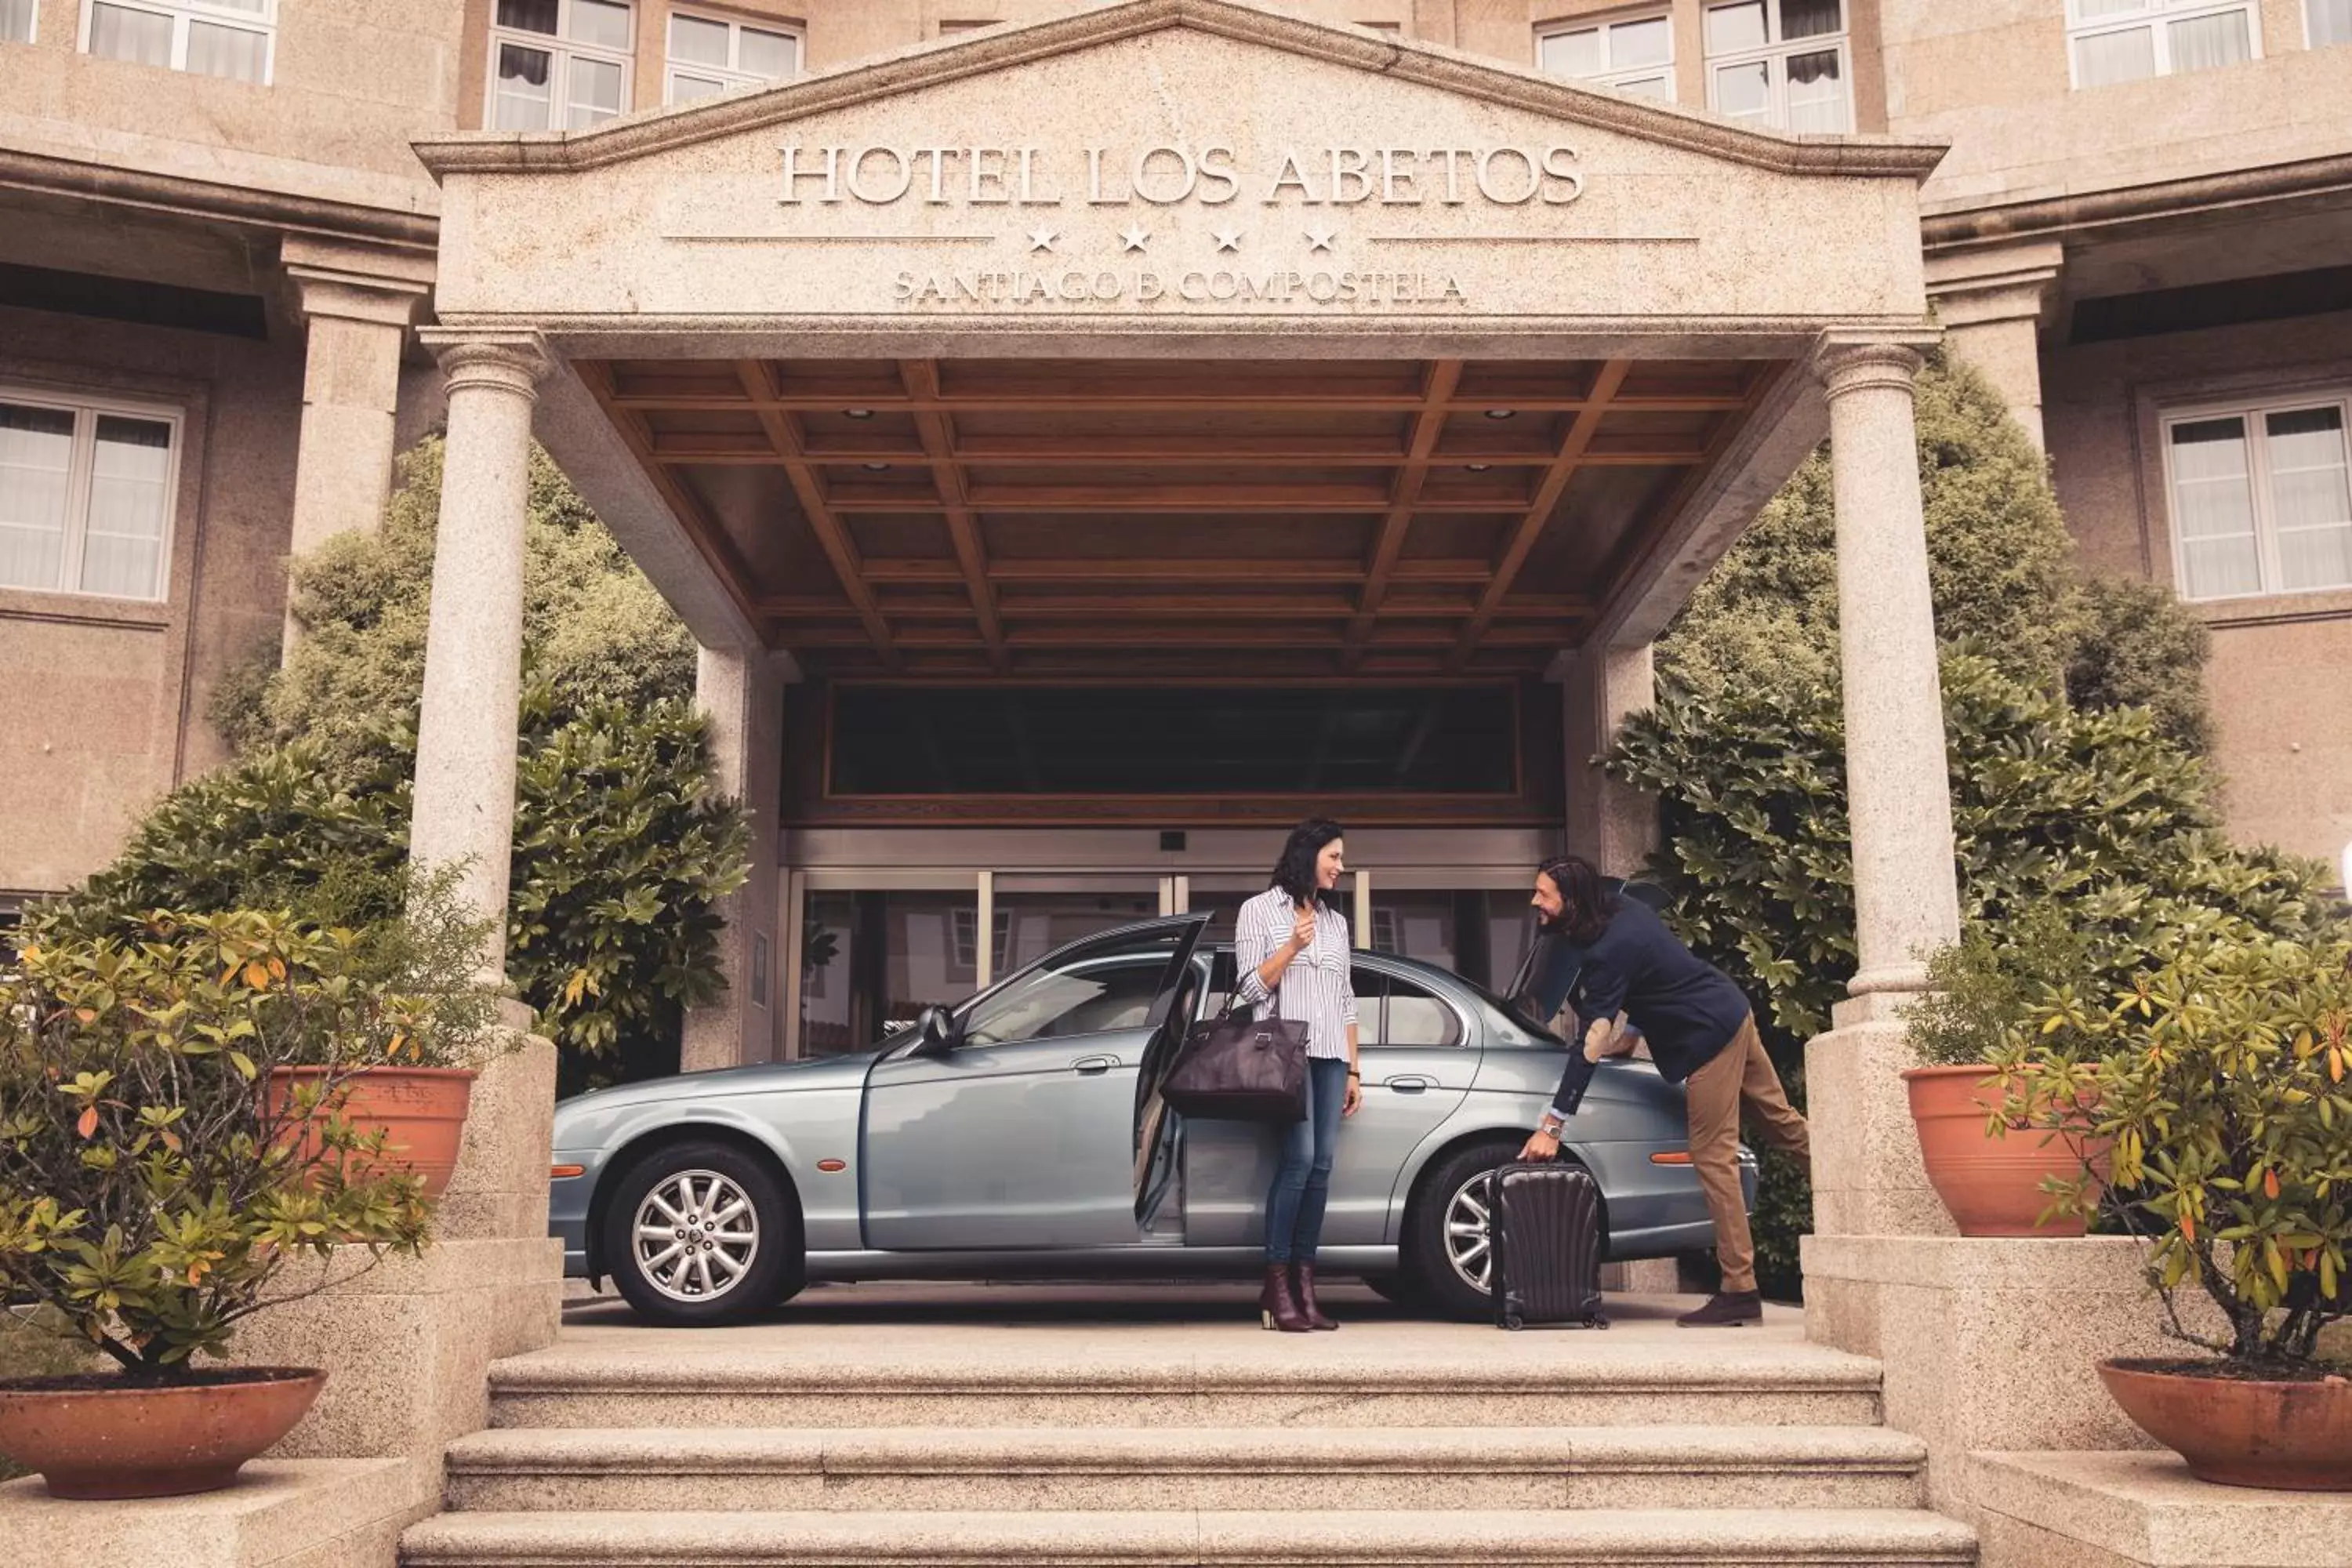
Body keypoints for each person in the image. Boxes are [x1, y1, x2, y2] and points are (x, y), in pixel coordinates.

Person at [1515, 855, 1810, 1327]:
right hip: (1729, 1010)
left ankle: (1740, 1290)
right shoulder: (1620, 910)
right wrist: (1631, 1037)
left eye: (1544, 894)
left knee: (1713, 1155)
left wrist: (1553, 1125)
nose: (1535, 901)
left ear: (1571, 899)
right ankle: (1859, 1200)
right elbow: (1652, 974)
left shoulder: (1611, 948)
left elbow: (1590, 1044)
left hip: (1709, 1035)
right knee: (1783, 1126)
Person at [1233, 818, 1362, 1333]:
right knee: (1299, 1160)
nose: (1340, 867)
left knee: (1323, 1166)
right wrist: (1290, 948)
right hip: (1285, 1054)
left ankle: (1306, 1288)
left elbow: (1347, 997)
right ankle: (1276, 1283)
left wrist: (1355, 1067)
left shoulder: (1335, 922)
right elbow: (1248, 990)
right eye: (1334, 856)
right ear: (1308, 855)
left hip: (1331, 1054)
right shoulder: (1258, 911)